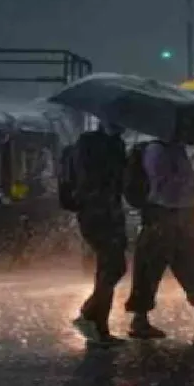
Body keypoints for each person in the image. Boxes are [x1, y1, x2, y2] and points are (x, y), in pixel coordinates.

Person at [124, 130, 194, 339]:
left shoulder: (177, 150)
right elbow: (162, 186)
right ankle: (139, 321)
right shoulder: (156, 151)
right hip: (164, 215)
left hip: (184, 215)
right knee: (150, 268)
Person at [71, 121, 128, 345]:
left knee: (110, 268)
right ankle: (92, 319)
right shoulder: (95, 145)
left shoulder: (113, 144)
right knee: (112, 267)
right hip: (99, 213)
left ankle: (96, 321)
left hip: (103, 212)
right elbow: (98, 179)